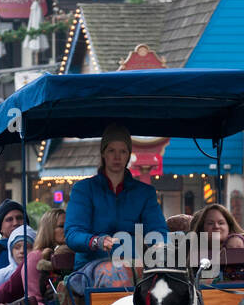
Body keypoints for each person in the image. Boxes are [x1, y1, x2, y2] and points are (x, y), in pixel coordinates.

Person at [64, 124, 167, 293]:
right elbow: (72, 234)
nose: (117, 156)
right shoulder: (83, 189)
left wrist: (160, 244)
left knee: (170, 280)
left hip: (134, 262)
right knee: (116, 274)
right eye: (112, 150)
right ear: (103, 153)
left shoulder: (144, 192)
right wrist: (96, 241)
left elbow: (158, 230)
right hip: (91, 266)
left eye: (123, 151)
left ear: (128, 155)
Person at [0, 207, 63, 305]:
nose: (67, 229)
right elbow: (33, 297)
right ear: (49, 230)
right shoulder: (35, 257)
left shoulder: (74, 254)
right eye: (61, 226)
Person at [190, 203, 244, 281]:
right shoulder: (192, 253)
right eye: (210, 223)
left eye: (221, 223)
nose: (216, 226)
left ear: (229, 226)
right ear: (202, 228)